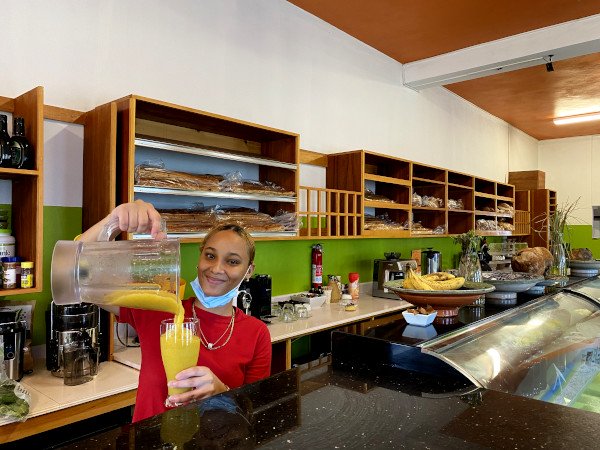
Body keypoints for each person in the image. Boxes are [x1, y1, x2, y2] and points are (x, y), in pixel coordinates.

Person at [79, 200, 272, 422]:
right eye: (210, 255)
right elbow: (76, 274)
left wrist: (222, 392)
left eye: (232, 261)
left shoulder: (256, 334)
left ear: (249, 271)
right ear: (199, 258)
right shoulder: (159, 308)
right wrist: (114, 221)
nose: (217, 268)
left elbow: (254, 412)